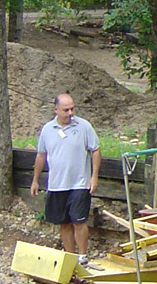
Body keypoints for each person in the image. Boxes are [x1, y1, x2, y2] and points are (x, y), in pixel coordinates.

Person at [30, 93, 102, 265]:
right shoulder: (47, 129)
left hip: (80, 183)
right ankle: (70, 257)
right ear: (56, 110)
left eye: (72, 109)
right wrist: (35, 180)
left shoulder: (84, 126)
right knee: (64, 223)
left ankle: (83, 256)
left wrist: (94, 176)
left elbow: (96, 149)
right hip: (57, 185)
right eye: (66, 110)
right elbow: (41, 155)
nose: (70, 113)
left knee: (79, 221)